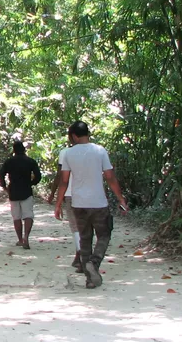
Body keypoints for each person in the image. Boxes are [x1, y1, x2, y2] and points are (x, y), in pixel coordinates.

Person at [53, 121, 128, 289]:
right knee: (104, 234)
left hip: (78, 203)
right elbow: (110, 177)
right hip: (98, 202)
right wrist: (121, 199)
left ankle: (90, 280)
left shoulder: (68, 154)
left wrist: (58, 204)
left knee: (85, 239)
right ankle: (94, 263)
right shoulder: (100, 151)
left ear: (73, 136)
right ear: (88, 133)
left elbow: (64, 181)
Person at [0, 140, 42, 250]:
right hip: (26, 190)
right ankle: (26, 237)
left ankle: (20, 239)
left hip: (13, 191)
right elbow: (38, 176)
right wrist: (32, 183)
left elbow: (1, 173)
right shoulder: (30, 161)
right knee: (28, 215)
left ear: (14, 150)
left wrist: (4, 186)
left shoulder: (9, 162)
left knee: (16, 217)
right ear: (24, 149)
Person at [48, 137, 81, 272]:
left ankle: (80, 252)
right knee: (87, 225)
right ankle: (84, 254)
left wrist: (56, 197)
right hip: (92, 195)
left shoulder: (65, 153)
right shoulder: (97, 151)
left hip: (71, 194)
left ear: (71, 137)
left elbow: (62, 177)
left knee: (75, 226)